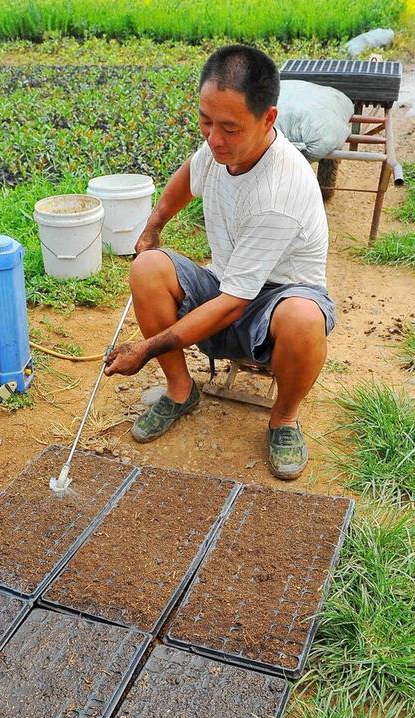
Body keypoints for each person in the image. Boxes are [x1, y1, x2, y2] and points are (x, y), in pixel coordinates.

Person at [103, 44, 334, 481]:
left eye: (228, 127)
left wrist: (146, 348)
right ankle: (181, 389)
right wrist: (153, 227)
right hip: (226, 281)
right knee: (147, 267)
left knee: (304, 318)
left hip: (277, 297)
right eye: (206, 122)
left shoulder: (279, 192)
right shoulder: (218, 146)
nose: (213, 139)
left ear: (268, 119)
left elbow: (233, 304)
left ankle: (283, 419)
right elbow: (187, 179)